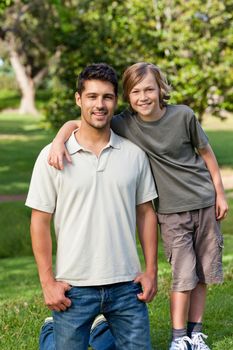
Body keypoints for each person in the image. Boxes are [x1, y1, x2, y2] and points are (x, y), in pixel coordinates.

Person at [48, 62, 228, 350]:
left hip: (204, 202)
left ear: (161, 90)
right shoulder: (124, 123)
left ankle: (196, 332)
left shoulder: (183, 116)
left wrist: (219, 193)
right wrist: (59, 140)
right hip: (171, 211)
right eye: (135, 91)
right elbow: (80, 122)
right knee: (184, 273)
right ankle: (179, 336)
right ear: (128, 98)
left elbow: (206, 153)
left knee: (203, 273)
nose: (143, 97)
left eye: (149, 90)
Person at [26, 63, 158, 350]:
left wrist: (151, 271)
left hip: (126, 286)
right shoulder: (52, 156)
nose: (100, 105)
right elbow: (39, 221)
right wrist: (48, 282)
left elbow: (146, 213)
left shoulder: (134, 155)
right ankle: (51, 332)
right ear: (78, 99)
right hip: (74, 287)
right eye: (92, 97)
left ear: (115, 101)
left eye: (107, 97)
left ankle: (100, 330)